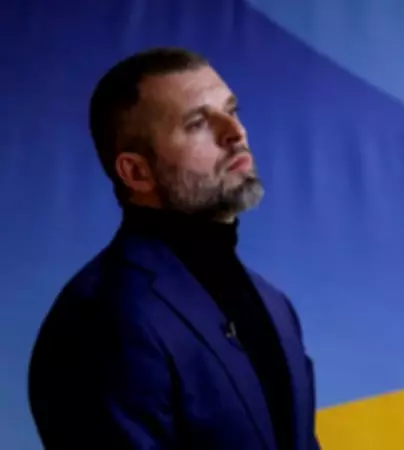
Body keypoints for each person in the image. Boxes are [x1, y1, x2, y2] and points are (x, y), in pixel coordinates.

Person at [27, 47, 321, 450]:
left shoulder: (274, 305)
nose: (235, 132)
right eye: (197, 123)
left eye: (231, 110)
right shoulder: (99, 320)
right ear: (137, 172)